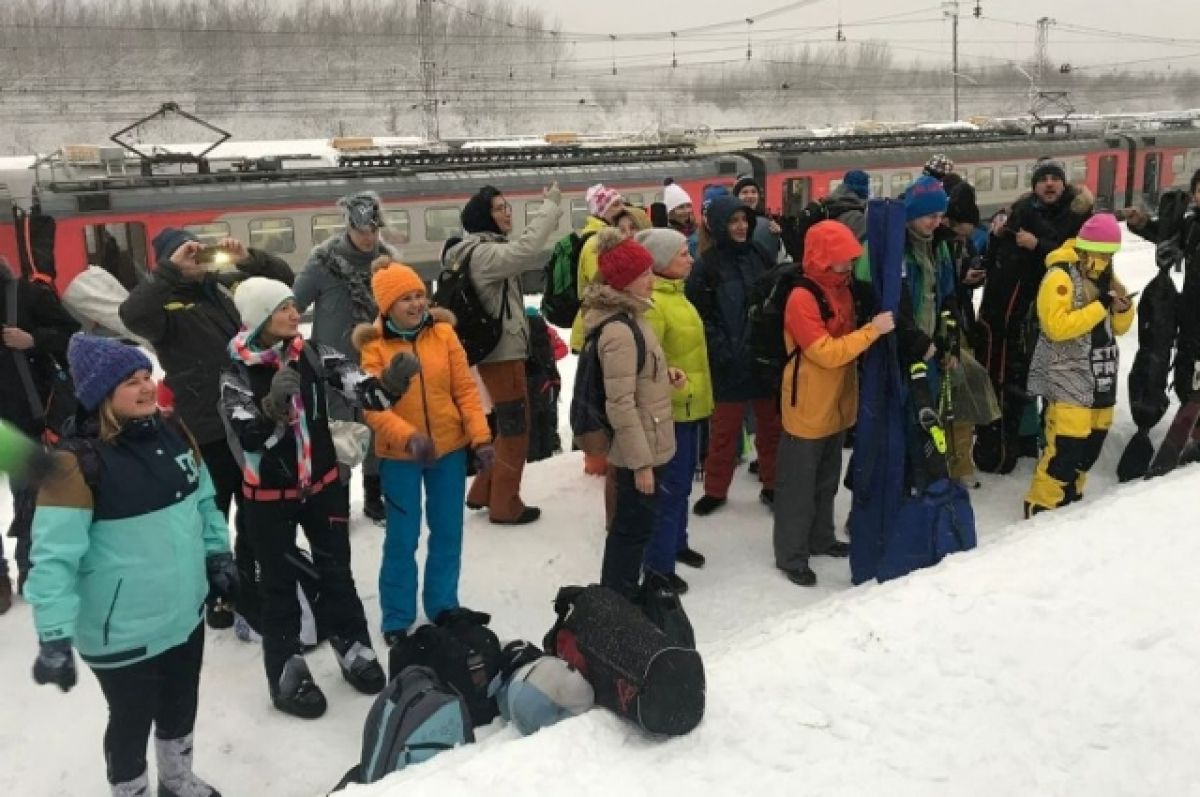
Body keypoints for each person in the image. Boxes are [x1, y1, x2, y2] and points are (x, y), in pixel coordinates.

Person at [26, 334, 233, 797]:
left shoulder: (175, 431)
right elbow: (53, 560)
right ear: (101, 394)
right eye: (130, 382)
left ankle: (177, 781)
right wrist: (53, 634)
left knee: (181, 704)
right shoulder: (73, 466)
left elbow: (204, 502)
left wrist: (218, 553)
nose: (146, 388)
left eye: (147, 377)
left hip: (183, 614)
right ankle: (131, 790)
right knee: (131, 720)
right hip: (120, 630)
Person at [218, 277, 390, 718]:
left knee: (338, 574)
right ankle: (287, 672)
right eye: (284, 308)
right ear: (259, 318)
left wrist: (391, 385)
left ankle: (353, 646)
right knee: (277, 590)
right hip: (269, 499)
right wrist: (273, 409)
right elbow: (250, 438)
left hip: (324, 487)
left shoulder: (311, 352)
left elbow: (361, 387)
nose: (296, 314)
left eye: (294, 306)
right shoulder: (236, 374)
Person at [119, 227, 293, 630]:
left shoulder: (224, 286)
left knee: (255, 510)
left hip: (247, 414)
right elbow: (131, 316)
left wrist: (249, 258)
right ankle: (216, 594)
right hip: (205, 423)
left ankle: (250, 587)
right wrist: (169, 272)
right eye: (187, 254)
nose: (198, 259)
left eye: (199, 251)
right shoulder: (162, 304)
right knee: (212, 513)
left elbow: (282, 282)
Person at [354, 258, 492, 643]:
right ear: (386, 307)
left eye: (420, 295)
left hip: (447, 450)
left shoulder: (444, 336)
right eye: (405, 299)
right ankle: (397, 617)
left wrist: (480, 437)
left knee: (448, 531)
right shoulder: (375, 349)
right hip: (401, 457)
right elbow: (373, 407)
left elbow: (464, 390)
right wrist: (409, 437)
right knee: (403, 536)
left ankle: (443, 605)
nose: (417, 304)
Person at [774, 222, 894, 587]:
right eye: (839, 261)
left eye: (848, 261)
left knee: (825, 481)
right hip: (807, 404)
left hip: (835, 400)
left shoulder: (843, 289)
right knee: (798, 487)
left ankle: (821, 538)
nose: (846, 268)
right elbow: (824, 353)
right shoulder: (802, 298)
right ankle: (791, 555)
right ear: (821, 259)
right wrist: (872, 330)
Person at [442, 183, 562, 525]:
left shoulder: (475, 250)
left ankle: (483, 490)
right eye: (499, 208)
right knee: (515, 430)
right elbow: (527, 250)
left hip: (497, 350)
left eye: (507, 206)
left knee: (506, 426)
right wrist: (550, 207)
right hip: (502, 354)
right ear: (483, 217)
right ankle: (506, 504)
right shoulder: (484, 254)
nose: (507, 213)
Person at [974, 158, 1093, 473]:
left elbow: (1076, 256)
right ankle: (1024, 438)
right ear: (1034, 185)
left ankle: (1049, 441)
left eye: (1055, 178)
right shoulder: (1021, 211)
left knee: (1053, 377)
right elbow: (995, 253)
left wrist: (1037, 244)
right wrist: (996, 236)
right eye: (1044, 179)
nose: (1050, 184)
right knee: (1021, 374)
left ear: (1064, 184)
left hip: (1061, 310)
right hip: (1020, 312)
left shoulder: (1078, 215)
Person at [581, 229, 680, 601]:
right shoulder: (620, 331)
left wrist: (663, 375)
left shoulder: (633, 317)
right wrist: (641, 465)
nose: (651, 279)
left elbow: (635, 379)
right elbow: (619, 403)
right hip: (638, 449)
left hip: (647, 438)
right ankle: (617, 604)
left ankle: (620, 598)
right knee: (630, 532)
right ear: (624, 282)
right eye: (643, 275)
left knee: (634, 529)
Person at [293, 192, 398, 522]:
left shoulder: (386, 264)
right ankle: (337, 500)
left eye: (374, 231)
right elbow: (294, 304)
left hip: (375, 361)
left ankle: (374, 496)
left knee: (376, 427)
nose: (369, 238)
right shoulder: (323, 264)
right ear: (349, 227)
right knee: (339, 431)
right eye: (363, 231)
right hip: (334, 365)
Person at [1025, 215, 1134, 516]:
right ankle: (1042, 505)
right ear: (1086, 248)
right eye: (1101, 253)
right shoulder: (1060, 275)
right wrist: (1101, 307)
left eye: (1110, 254)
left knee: (1090, 447)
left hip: (1101, 374)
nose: (1106, 260)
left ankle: (1071, 500)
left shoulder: (1107, 275)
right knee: (1065, 448)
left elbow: (1120, 327)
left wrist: (1124, 309)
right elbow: (1056, 327)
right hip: (1067, 375)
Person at [685, 195, 781, 515]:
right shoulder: (706, 266)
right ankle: (715, 489)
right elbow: (702, 316)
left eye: (744, 220)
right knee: (724, 433)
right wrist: (722, 351)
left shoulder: (761, 254)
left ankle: (772, 484)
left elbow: (776, 299)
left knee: (770, 428)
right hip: (729, 363)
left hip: (763, 359)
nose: (740, 227)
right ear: (720, 226)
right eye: (733, 221)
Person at [1, 259, 78, 611]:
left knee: (30, 499)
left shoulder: (27, 295)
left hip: (23, 421)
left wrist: (33, 340)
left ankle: (30, 567)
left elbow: (73, 335)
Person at [639, 228, 712, 594]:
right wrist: (681, 388)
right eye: (684, 253)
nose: (691, 259)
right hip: (671, 410)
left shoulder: (678, 296)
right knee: (670, 489)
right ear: (663, 262)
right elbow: (651, 367)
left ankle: (676, 544)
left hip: (690, 404)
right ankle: (658, 566)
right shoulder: (655, 305)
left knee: (681, 485)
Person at [1125, 168, 1200, 403]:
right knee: (1187, 378)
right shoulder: (1193, 225)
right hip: (1192, 316)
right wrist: (1142, 223)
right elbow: (1167, 237)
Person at [570, 183, 627, 477]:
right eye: (615, 206)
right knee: (598, 395)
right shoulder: (598, 243)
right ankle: (597, 461)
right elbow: (604, 284)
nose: (623, 209)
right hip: (598, 325)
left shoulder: (599, 238)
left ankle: (599, 459)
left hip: (597, 325)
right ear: (602, 211)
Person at [733, 174, 784, 262]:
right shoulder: (730, 221)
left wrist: (777, 238)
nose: (750, 196)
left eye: (754, 192)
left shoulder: (767, 221)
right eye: (744, 192)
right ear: (737, 196)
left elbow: (779, 256)